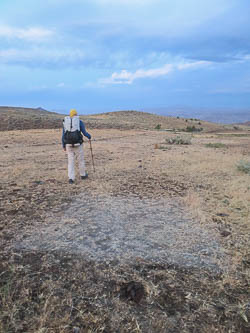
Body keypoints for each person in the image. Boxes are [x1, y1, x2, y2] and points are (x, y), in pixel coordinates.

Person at [62, 109, 91, 184]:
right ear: (76, 114)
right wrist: (89, 136)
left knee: (70, 161)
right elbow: (84, 133)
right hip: (78, 144)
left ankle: (71, 178)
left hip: (68, 144)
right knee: (80, 160)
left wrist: (63, 145)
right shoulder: (79, 122)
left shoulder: (66, 122)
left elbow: (63, 135)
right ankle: (83, 175)